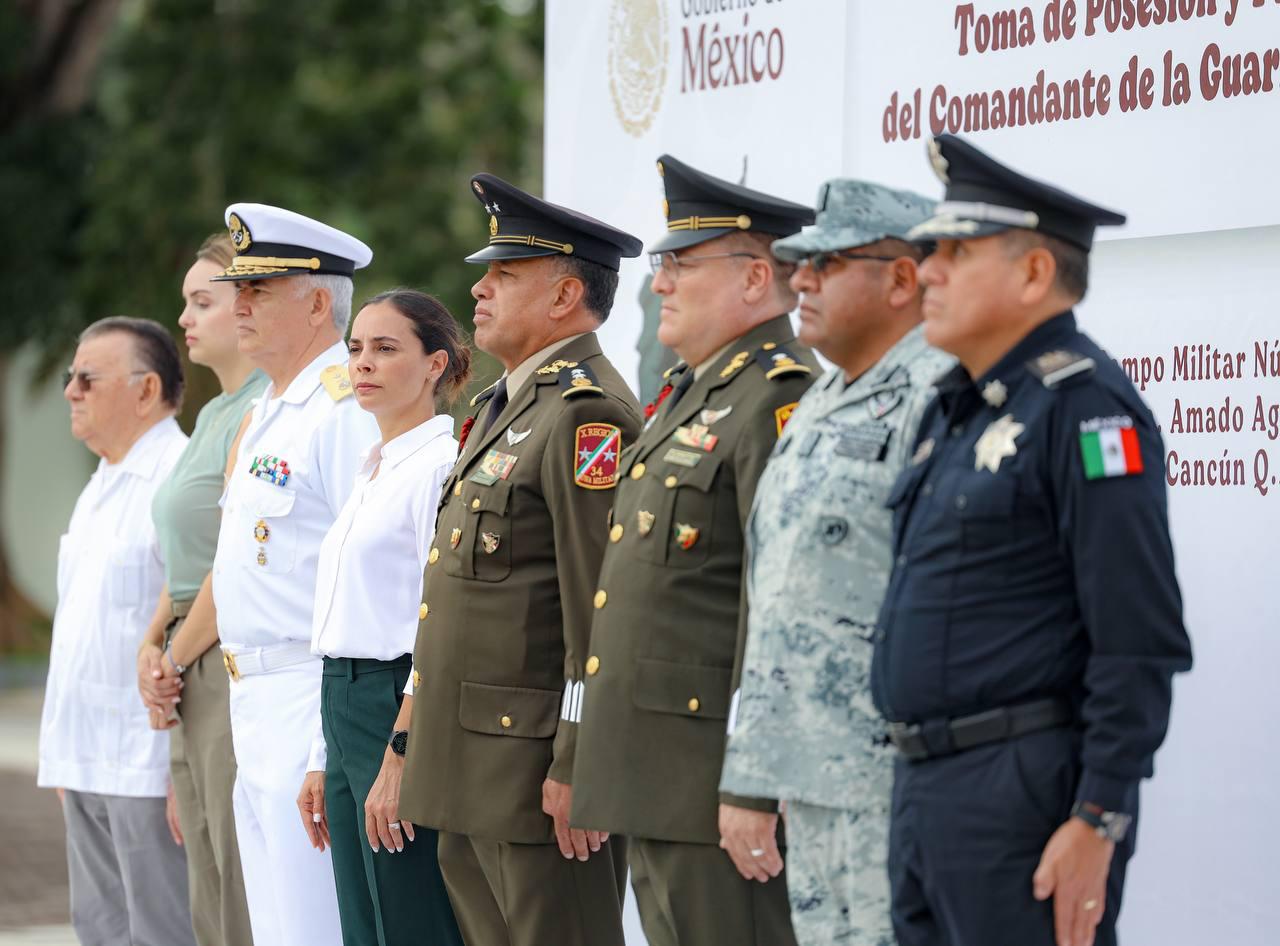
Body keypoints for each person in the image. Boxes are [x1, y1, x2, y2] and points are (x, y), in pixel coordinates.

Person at [871, 134, 1194, 946]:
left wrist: (1099, 815)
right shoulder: (957, 407)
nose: (929, 271)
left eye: (956, 251)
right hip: (925, 789)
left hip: (1018, 797)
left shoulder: (1085, 409)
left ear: (1035, 273)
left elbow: (1138, 637)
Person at [570, 154, 817, 946]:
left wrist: (755, 780)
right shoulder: (693, 392)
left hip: (716, 780)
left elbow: (780, 605)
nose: (661, 284)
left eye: (681, 264)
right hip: (659, 775)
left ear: (755, 278)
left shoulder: (777, 394)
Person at [396, 173, 641, 946]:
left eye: (504, 274)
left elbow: (601, 606)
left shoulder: (587, 412)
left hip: (537, 777)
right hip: (470, 767)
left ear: (565, 295)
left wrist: (580, 760)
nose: (479, 288)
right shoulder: (503, 406)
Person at [717, 178, 949, 946]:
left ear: (902, 279)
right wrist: (757, 770)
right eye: (801, 263)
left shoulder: (939, 396)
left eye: (828, 263)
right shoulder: (823, 397)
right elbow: (781, 597)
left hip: (891, 779)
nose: (802, 280)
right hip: (811, 775)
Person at [209, 203, 380, 946]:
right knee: (278, 925)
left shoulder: (342, 410)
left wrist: (322, 743)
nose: (239, 306)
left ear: (317, 305)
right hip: (252, 695)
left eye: (259, 291)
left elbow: (368, 577)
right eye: (238, 290)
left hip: (307, 693)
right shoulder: (272, 409)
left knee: (316, 924)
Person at [300, 289, 468, 946]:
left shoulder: (439, 469)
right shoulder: (372, 470)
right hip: (342, 700)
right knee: (362, 922)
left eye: (386, 348)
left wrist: (401, 751)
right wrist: (322, 755)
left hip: (395, 701)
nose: (363, 363)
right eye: (356, 348)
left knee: (409, 913)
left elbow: (441, 621)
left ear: (435, 365)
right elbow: (342, 619)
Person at [38, 317, 194, 946]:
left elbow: (192, 621)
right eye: (70, 377)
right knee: (99, 931)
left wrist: (180, 772)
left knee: (162, 932)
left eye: (86, 378)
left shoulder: (178, 481)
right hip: (86, 755)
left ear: (145, 389)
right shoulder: (101, 483)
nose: (70, 391)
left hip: (146, 762)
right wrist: (66, 751)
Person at [134, 232, 264, 946]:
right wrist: (150, 643)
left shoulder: (259, 411)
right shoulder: (214, 413)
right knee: (207, 882)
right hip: (188, 645)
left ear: (248, 306)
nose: (184, 318)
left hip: (217, 647)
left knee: (238, 876)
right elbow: (183, 558)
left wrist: (174, 657)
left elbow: (234, 559)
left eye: (201, 302)